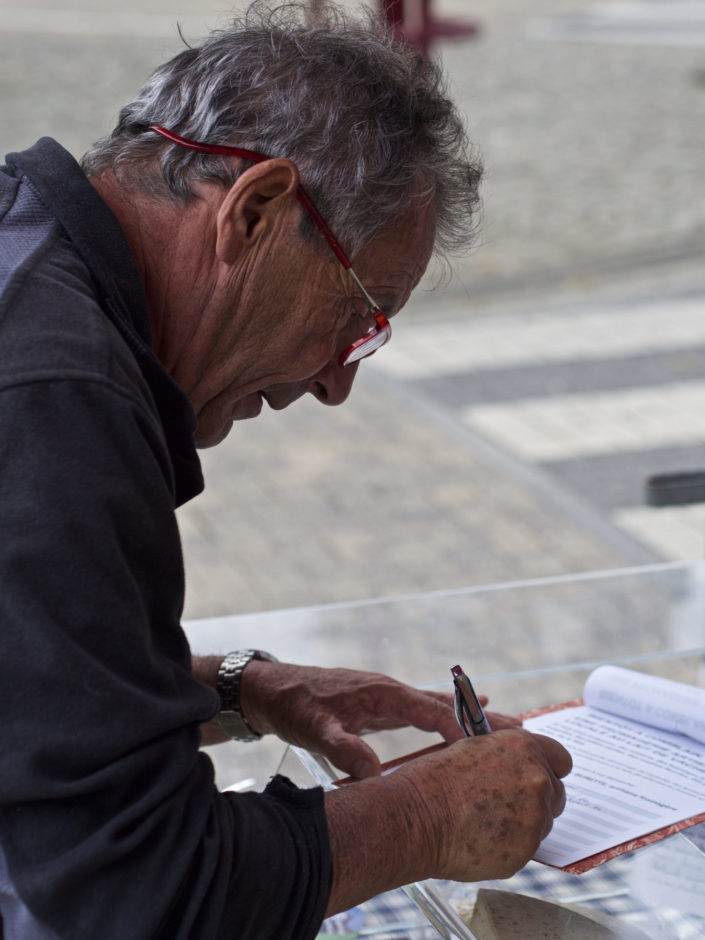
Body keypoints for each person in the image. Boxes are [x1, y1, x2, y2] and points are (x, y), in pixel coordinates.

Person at [0, 2, 572, 937]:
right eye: (361, 312)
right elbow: (132, 894)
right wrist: (422, 818)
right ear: (255, 209)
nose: (338, 380)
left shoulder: (24, 250)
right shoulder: (54, 390)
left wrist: (231, 691)